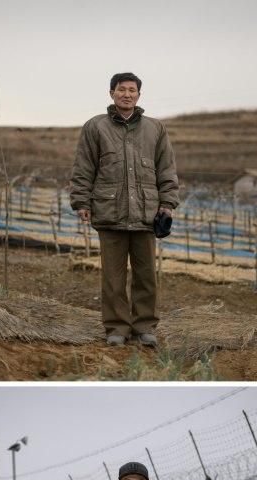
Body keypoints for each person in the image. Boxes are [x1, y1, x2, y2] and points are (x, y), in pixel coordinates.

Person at [70, 73, 179, 348]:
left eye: (132, 90)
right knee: (113, 277)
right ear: (111, 93)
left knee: (146, 275)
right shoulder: (95, 127)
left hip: (146, 214)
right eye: (121, 90)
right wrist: (81, 202)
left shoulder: (156, 129)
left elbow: (166, 169)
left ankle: (145, 326)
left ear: (139, 96)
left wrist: (167, 203)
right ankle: (117, 328)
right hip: (109, 212)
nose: (127, 94)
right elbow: (84, 168)